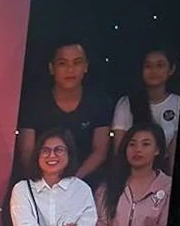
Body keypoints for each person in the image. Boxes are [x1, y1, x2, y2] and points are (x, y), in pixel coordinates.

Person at [16, 40, 113, 186]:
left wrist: (72, 182)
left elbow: (99, 151)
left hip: (84, 181)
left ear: (86, 66)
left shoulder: (100, 102)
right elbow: (27, 151)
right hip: (40, 180)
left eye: (77, 63)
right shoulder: (33, 102)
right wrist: (47, 181)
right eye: (63, 63)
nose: (70, 69)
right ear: (52, 68)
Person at [93, 123, 171, 226]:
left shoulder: (167, 187)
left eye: (145, 144)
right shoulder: (109, 185)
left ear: (157, 150)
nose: (137, 149)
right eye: (132, 144)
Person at [111, 48, 180, 173]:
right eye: (148, 66)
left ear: (171, 69)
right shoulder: (126, 103)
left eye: (160, 65)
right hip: (130, 172)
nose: (153, 71)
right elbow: (119, 151)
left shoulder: (177, 103)